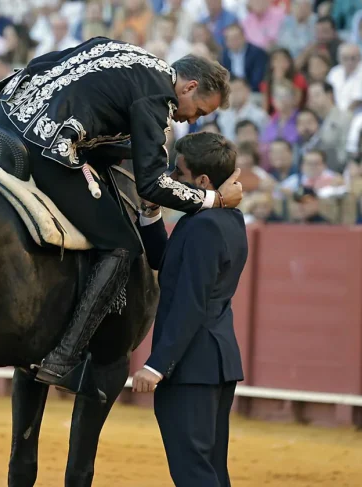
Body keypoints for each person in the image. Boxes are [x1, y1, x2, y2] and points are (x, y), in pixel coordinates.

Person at [0, 37, 243, 391]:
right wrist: (214, 198)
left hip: (3, 117)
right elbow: (151, 186)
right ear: (190, 86)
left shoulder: (126, 51)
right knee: (123, 244)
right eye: (198, 111)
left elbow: (46, 63)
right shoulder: (158, 99)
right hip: (43, 146)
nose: (191, 120)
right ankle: (63, 356)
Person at [130, 132, 247, 487]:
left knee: (193, 472)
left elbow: (190, 302)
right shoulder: (226, 220)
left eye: (178, 174)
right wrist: (150, 214)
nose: (171, 181)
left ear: (202, 182)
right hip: (213, 362)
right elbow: (167, 263)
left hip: (192, 367)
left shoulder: (203, 225)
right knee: (210, 469)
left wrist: (156, 365)